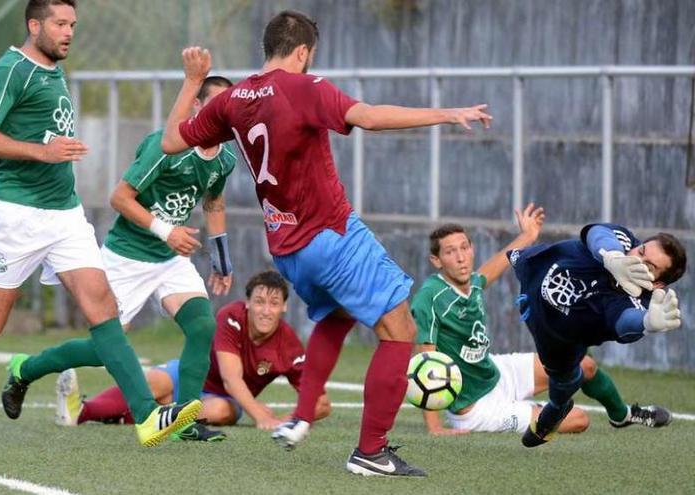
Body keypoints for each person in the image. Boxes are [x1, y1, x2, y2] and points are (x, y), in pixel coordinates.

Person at [160, 10, 491, 477]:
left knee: (337, 316)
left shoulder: (233, 98)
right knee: (400, 330)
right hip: (331, 235)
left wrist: (192, 81)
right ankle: (372, 451)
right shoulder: (307, 86)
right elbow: (370, 118)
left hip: (288, 249)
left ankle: (299, 418)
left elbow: (173, 139)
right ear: (303, 52)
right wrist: (446, 113)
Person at [0, 0, 200, 447]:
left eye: (72, 24)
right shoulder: (12, 69)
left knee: (102, 308)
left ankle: (147, 417)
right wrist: (43, 152)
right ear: (33, 25)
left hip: (64, 214)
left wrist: (53, 156)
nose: (68, 32)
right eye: (59, 24)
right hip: (15, 214)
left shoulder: (55, 70)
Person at [1, 76, 237, 441]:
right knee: (101, 350)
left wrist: (221, 258)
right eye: (215, 105)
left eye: (228, 108)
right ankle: (25, 368)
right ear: (196, 106)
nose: (222, 115)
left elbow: (214, 202)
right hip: (126, 258)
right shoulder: (165, 147)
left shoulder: (225, 158)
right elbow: (120, 198)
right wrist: (167, 231)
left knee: (202, 326)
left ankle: (186, 421)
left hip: (169, 260)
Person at [411, 207, 672, 437]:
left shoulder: (470, 285)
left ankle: (622, 415)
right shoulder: (430, 298)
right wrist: (435, 428)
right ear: (436, 260)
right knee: (579, 419)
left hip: (494, 372)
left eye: (464, 248)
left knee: (587, 365)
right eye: (450, 252)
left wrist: (527, 236)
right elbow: (426, 368)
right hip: (475, 407)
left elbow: (489, 271)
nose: (460, 257)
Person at [53, 271, 331, 441]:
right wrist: (260, 415)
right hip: (189, 375)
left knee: (216, 411)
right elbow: (230, 376)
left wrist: (287, 417)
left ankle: (127, 416)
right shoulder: (231, 316)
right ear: (247, 304)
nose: (265, 310)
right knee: (152, 384)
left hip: (224, 400)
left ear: (284, 308)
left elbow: (321, 403)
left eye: (274, 303)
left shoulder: (289, 345)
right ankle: (81, 411)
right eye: (259, 301)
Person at [510, 222, 685, 447]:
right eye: (641, 252)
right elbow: (597, 233)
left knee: (568, 381)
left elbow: (624, 322)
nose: (637, 260)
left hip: (555, 341)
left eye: (648, 267)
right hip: (532, 269)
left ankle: (557, 409)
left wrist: (646, 322)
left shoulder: (637, 304)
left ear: (657, 283)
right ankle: (621, 416)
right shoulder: (622, 245)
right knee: (589, 367)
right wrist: (612, 257)